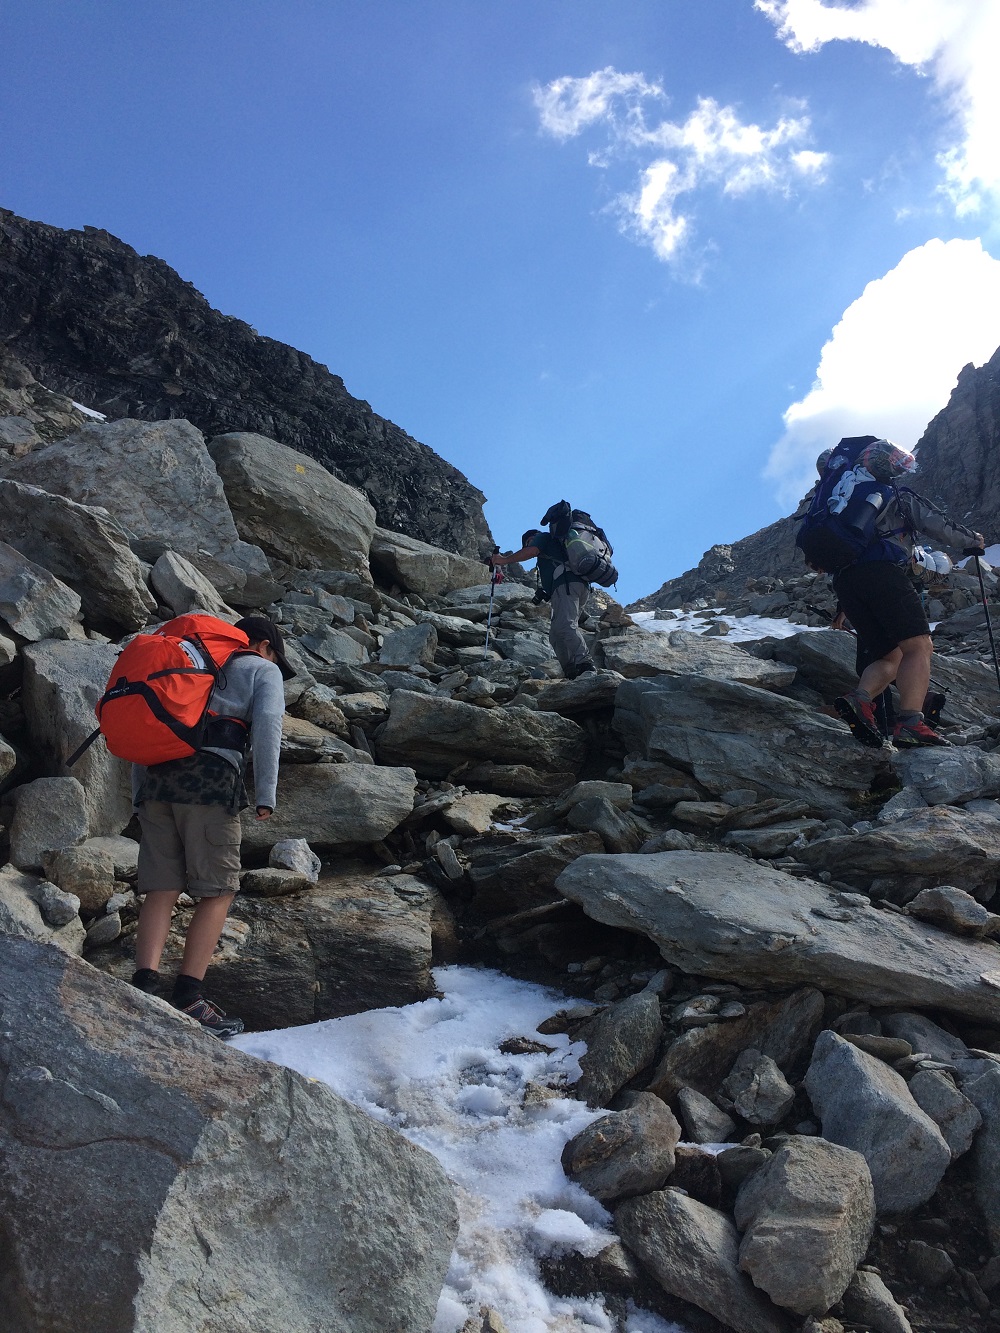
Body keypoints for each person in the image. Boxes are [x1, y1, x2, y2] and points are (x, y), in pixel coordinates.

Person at [129, 616, 293, 1037]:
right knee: (218, 890)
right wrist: (265, 795)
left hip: (157, 782)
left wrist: (138, 793)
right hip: (209, 786)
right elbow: (269, 728)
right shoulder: (261, 668)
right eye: (275, 652)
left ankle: (143, 986)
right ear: (262, 645)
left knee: (162, 887)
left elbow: (145, 726)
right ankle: (189, 997)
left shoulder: (185, 664)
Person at [803, 439, 985, 748]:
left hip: (846, 583)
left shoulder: (837, 498)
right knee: (919, 646)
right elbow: (935, 522)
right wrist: (972, 541)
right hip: (884, 573)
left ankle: (860, 700)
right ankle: (912, 722)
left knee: (890, 656)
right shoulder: (892, 493)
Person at [489, 511, 597, 679]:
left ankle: (586, 664)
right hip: (575, 586)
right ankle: (571, 671)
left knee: (566, 626)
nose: (527, 545)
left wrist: (503, 560)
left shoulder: (542, 538)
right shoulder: (555, 549)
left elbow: (531, 551)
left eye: (527, 542)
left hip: (566, 585)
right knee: (555, 634)